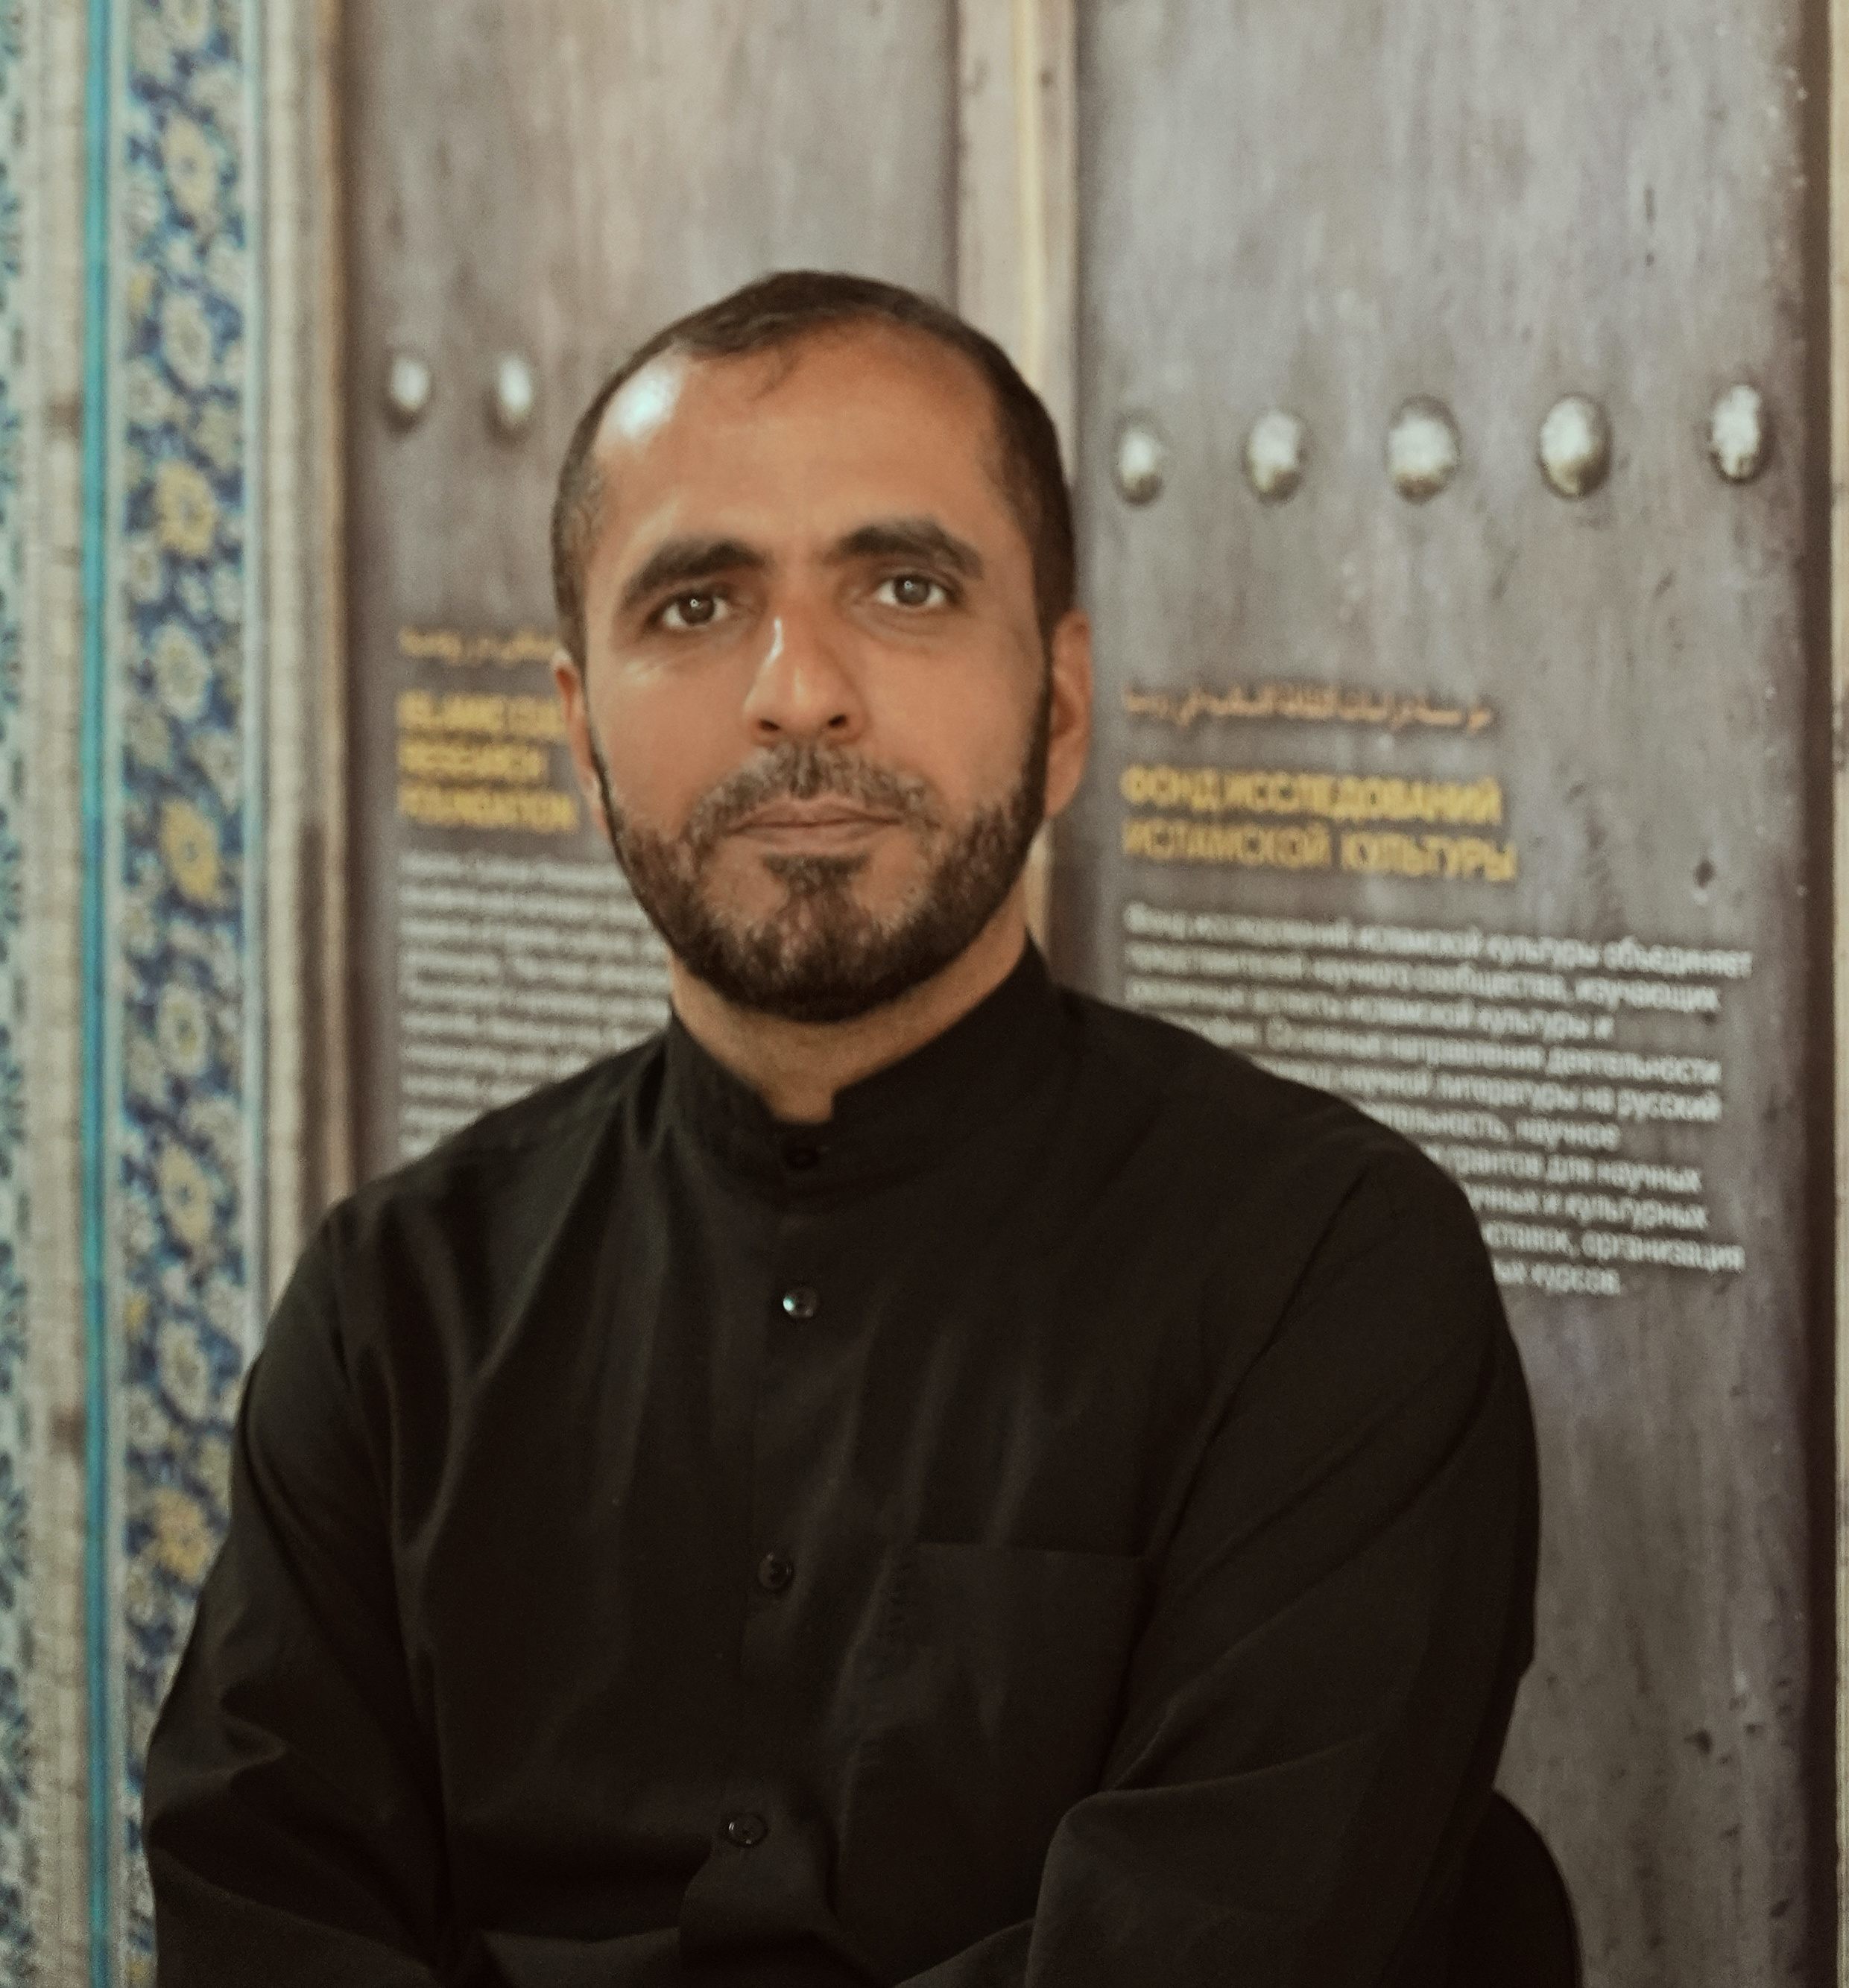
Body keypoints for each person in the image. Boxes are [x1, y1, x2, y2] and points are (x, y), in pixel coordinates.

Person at [144, 271, 1538, 1987]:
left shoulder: (1322, 1279)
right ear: (579, 731)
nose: (797, 691)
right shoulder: (396, 1310)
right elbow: (261, 1917)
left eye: (903, 586)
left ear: (1060, 708)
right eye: (696, 603)